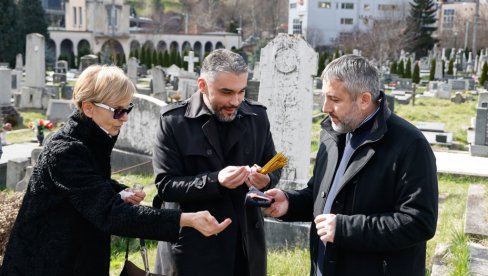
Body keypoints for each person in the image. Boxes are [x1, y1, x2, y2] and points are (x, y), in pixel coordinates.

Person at [0, 65, 231, 275]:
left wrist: (119, 191)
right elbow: (109, 214)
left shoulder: (90, 139)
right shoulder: (65, 149)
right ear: (89, 108)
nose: (126, 117)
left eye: (127, 108)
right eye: (118, 110)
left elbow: (88, 186)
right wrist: (186, 219)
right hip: (47, 264)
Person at [265, 55, 438, 276]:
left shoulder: (410, 145)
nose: (325, 107)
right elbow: (322, 197)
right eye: (324, 97)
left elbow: (419, 222)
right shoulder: (333, 133)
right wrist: (288, 203)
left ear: (364, 100)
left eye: (334, 99)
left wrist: (345, 229)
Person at [152, 49, 281, 276]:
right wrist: (215, 180)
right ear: (202, 85)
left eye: (242, 91)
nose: (236, 101)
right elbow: (165, 186)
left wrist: (266, 179)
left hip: (245, 246)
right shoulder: (174, 121)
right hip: (193, 248)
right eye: (226, 92)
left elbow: (274, 165)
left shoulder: (257, 117)